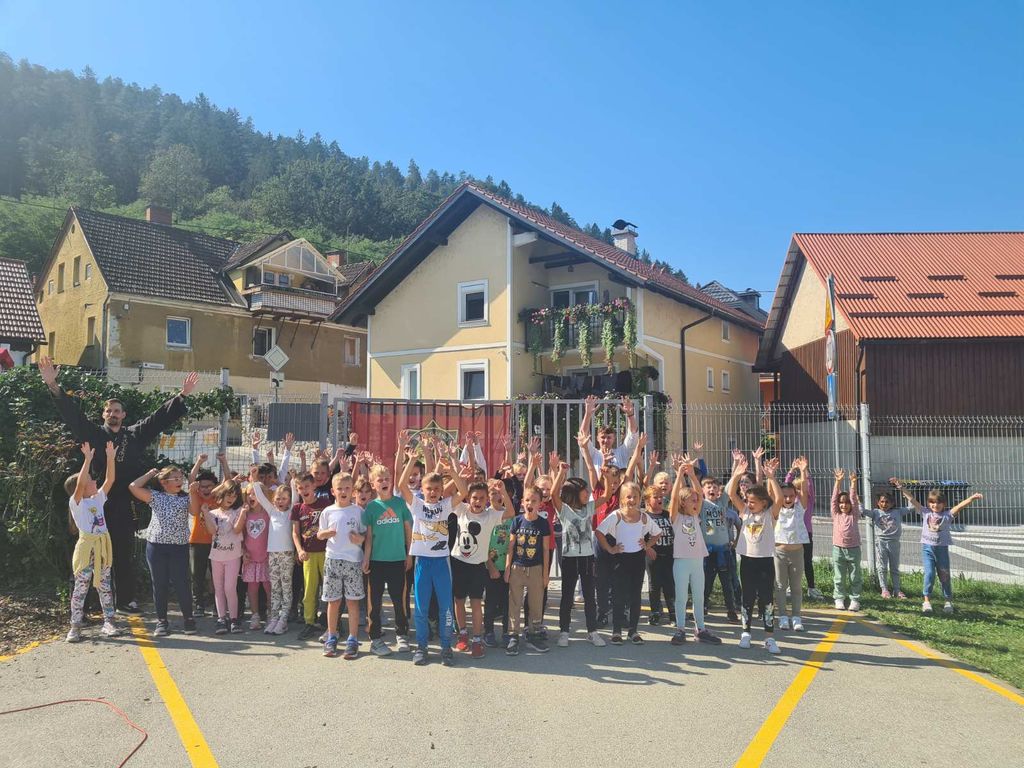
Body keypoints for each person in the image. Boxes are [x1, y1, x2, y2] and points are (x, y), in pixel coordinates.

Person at [39, 357, 199, 614]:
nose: (112, 414)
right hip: (97, 501)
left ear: (123, 415)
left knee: (123, 553)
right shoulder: (94, 434)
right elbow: (72, 415)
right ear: (103, 415)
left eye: (116, 411)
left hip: (125, 502)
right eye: (109, 411)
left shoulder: (135, 434)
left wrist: (182, 395)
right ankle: (89, 603)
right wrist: (53, 385)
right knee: (93, 552)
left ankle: (125, 599)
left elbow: (158, 418)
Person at [398, 435, 465, 667]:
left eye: (437, 488)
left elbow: (463, 492)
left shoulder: (445, 506)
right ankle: (422, 647)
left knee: (446, 607)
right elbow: (401, 485)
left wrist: (452, 471)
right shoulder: (416, 504)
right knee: (421, 607)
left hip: (441, 562)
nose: (433, 492)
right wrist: (411, 459)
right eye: (429, 488)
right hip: (422, 562)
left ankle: (446, 647)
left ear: (441, 490)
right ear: (423, 489)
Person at [894, 481, 983, 614]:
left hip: (942, 549)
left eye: (938, 503)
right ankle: (926, 601)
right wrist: (901, 488)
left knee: (944, 575)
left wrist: (972, 498)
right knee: (929, 574)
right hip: (928, 549)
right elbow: (912, 499)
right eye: (932, 502)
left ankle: (948, 601)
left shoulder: (947, 515)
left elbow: (959, 506)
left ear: (944, 504)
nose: (935, 505)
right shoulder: (925, 512)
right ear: (928, 503)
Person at [129, 465, 196, 637]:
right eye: (175, 478)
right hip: (156, 546)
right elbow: (133, 487)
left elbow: (195, 512)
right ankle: (162, 621)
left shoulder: (185, 498)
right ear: (164, 482)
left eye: (181, 478)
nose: (180, 481)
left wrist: (193, 491)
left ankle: (188, 619)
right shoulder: (156, 496)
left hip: (179, 547)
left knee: (182, 583)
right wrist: (150, 473)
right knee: (159, 584)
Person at [65, 441, 123, 642]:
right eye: (90, 480)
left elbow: (110, 479)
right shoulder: (76, 502)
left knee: (105, 586)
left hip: (102, 548)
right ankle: (75, 626)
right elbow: (81, 484)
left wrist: (110, 458)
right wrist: (87, 460)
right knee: (80, 589)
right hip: (86, 550)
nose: (94, 482)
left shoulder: (97, 499)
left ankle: (109, 622)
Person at [451, 479, 514, 658]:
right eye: (474, 498)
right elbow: (451, 494)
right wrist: (456, 474)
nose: (477, 501)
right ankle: (463, 634)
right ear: (468, 498)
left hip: (478, 566)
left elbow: (511, 512)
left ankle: (477, 640)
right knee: (459, 600)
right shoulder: (461, 509)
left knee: (476, 602)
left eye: (481, 498)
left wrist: (503, 491)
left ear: (487, 499)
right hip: (458, 563)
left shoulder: (490, 515)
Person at [727, 454, 783, 654]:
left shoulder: (769, 515)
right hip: (748, 561)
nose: (749, 504)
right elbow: (731, 493)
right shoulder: (745, 512)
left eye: (753, 502)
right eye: (748, 501)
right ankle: (746, 633)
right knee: (747, 597)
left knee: (767, 599)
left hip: (765, 561)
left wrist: (771, 477)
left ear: (763, 503)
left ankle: (769, 637)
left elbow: (779, 499)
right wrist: (737, 474)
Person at [596, 481, 661, 646]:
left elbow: (657, 533)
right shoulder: (616, 516)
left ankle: (633, 631)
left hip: (637, 560)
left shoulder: (644, 517)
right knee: (618, 596)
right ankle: (616, 631)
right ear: (622, 499)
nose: (632, 500)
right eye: (628, 497)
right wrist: (610, 549)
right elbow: (599, 532)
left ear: (640, 498)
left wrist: (647, 545)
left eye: (635, 497)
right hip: (620, 559)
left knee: (635, 596)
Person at [556, 433, 604, 647]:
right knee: (567, 596)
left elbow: (606, 495)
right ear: (575, 493)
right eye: (584, 490)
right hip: (569, 558)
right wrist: (561, 473)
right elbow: (554, 495)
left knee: (590, 597)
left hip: (587, 558)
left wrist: (605, 474)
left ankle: (592, 631)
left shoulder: (589, 508)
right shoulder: (564, 511)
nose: (588, 493)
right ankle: (564, 632)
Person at [362, 464, 413, 656]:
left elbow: (408, 531)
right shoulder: (371, 508)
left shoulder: (400, 504)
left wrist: (409, 554)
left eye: (387, 479)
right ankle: (375, 639)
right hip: (376, 562)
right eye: (380, 480)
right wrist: (366, 558)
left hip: (397, 560)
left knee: (399, 600)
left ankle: (402, 634)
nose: (384, 482)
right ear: (373, 484)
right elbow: (369, 537)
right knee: (374, 602)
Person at [669, 458, 721, 645]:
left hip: (697, 560)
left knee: (699, 596)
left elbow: (699, 492)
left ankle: (701, 629)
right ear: (683, 503)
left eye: (696, 501)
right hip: (681, 561)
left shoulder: (695, 516)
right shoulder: (676, 518)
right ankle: (680, 629)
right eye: (692, 501)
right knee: (681, 596)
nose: (696, 502)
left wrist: (691, 474)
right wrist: (678, 476)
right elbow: (674, 499)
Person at [317, 473, 367, 659]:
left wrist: (359, 539)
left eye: (347, 488)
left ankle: (353, 639)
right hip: (332, 560)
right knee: (333, 601)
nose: (343, 491)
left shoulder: (358, 512)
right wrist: (326, 534)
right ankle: (332, 636)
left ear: (352, 491)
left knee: (353, 601)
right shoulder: (327, 512)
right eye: (340, 488)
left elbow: (366, 535)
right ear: (333, 491)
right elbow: (319, 534)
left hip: (353, 561)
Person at [505, 486, 552, 656]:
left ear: (540, 503)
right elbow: (511, 546)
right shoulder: (517, 521)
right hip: (517, 567)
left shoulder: (543, 523)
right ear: (522, 502)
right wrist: (508, 568)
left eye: (534, 501)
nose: (530, 503)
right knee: (514, 602)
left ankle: (534, 633)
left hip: (536, 568)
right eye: (527, 500)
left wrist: (545, 574)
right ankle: (513, 635)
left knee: (535, 603)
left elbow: (545, 549)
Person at [200, 479, 247, 634]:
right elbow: (212, 531)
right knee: (218, 588)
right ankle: (221, 618)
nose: (231, 498)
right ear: (221, 495)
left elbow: (237, 530)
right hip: (216, 557)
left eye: (234, 496)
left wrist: (243, 513)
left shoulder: (238, 511)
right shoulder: (213, 513)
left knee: (230, 588)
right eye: (228, 495)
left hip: (233, 556)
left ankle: (234, 619)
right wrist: (205, 512)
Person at [292, 473, 331, 641]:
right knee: (309, 590)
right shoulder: (297, 508)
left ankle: (331, 622)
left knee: (329, 589)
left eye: (307, 486)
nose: (304, 490)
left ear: (314, 485)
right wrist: (299, 550)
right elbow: (295, 533)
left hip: (326, 552)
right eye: (300, 488)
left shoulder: (325, 504)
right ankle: (309, 621)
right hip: (308, 554)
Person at [253, 480, 295, 635]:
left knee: (286, 586)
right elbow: (260, 496)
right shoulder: (272, 511)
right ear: (273, 500)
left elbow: (295, 497)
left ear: (289, 500)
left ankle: (283, 619)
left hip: (287, 554)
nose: (281, 501)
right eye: (278, 498)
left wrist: (293, 483)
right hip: (273, 554)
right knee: (275, 587)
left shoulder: (291, 512)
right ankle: (274, 618)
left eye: (284, 498)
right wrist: (254, 480)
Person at [774, 470, 811, 632]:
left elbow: (804, 490)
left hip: (797, 553)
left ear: (795, 496)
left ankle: (796, 617)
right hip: (779, 553)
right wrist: (771, 476)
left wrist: (803, 471)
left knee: (796, 587)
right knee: (780, 586)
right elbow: (772, 492)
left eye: (791, 496)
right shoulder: (776, 509)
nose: (788, 499)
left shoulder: (800, 508)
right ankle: (782, 616)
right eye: (784, 496)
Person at [700, 471, 738, 623]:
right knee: (706, 582)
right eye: (708, 487)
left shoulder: (722, 503)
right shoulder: (702, 504)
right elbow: (695, 488)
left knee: (726, 582)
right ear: (703, 490)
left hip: (723, 551)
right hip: (708, 551)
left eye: (715, 487)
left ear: (718, 490)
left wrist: (736, 473)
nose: (712, 489)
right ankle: (703, 606)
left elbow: (729, 488)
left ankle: (731, 609)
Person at [862, 482, 911, 599]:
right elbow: (863, 511)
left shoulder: (897, 512)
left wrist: (902, 489)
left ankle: (897, 590)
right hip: (881, 542)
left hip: (894, 542)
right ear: (878, 503)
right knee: (882, 567)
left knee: (894, 568)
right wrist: (857, 499)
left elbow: (912, 505)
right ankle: (884, 589)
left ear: (892, 503)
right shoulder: (876, 512)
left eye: (887, 502)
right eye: (882, 502)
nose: (884, 504)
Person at [785, 458, 823, 600]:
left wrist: (804, 470)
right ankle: (791, 586)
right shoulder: (791, 502)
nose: (800, 491)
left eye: (801, 487)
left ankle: (811, 588)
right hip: (792, 534)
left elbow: (809, 485)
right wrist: (791, 471)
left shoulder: (809, 500)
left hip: (806, 534)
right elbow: (786, 486)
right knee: (791, 561)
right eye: (797, 489)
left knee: (807, 561)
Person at [484, 480, 514, 648]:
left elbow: (511, 545)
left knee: (507, 603)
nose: (498, 496)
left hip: (506, 567)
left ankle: (506, 632)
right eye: (493, 493)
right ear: (488, 496)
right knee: (490, 601)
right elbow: (483, 545)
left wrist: (508, 568)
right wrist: (491, 566)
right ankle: (488, 631)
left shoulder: (509, 516)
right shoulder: (485, 515)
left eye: (500, 493)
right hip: (490, 567)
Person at [187, 455, 217, 618]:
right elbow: (191, 479)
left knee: (216, 576)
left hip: (215, 542)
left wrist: (223, 462)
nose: (205, 489)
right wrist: (198, 462)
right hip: (197, 542)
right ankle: (198, 604)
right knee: (196, 575)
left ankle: (217, 605)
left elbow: (228, 481)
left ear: (215, 486)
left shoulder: (218, 497)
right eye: (202, 486)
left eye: (209, 486)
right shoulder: (196, 497)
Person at [242, 475, 273, 631]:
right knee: (252, 589)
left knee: (269, 588)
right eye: (249, 494)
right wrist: (243, 551)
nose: (251, 497)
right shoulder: (245, 515)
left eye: (254, 494)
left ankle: (271, 614)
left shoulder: (268, 515)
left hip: (266, 559)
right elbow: (241, 535)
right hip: (251, 559)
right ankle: (255, 616)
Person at [830, 469, 863, 611]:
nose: (844, 505)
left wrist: (853, 483)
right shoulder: (836, 514)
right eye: (841, 503)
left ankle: (855, 599)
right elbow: (833, 499)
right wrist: (838, 482)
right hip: (838, 549)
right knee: (839, 576)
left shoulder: (854, 515)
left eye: (846, 503)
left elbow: (854, 499)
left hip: (854, 549)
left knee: (855, 576)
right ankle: (839, 598)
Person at [644, 483, 675, 627]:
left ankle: (673, 613)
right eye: (655, 497)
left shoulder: (668, 514)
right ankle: (655, 612)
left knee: (669, 584)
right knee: (654, 585)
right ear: (647, 500)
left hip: (668, 554)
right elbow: (639, 536)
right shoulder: (645, 516)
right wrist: (647, 548)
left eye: (661, 497)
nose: (659, 499)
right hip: (653, 555)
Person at [579, 394, 639, 470]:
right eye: (603, 437)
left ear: (614, 438)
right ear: (597, 438)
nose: (606, 440)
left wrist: (630, 415)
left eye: (609, 437)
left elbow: (633, 435)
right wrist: (588, 414)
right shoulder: (593, 454)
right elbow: (582, 436)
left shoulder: (622, 453)